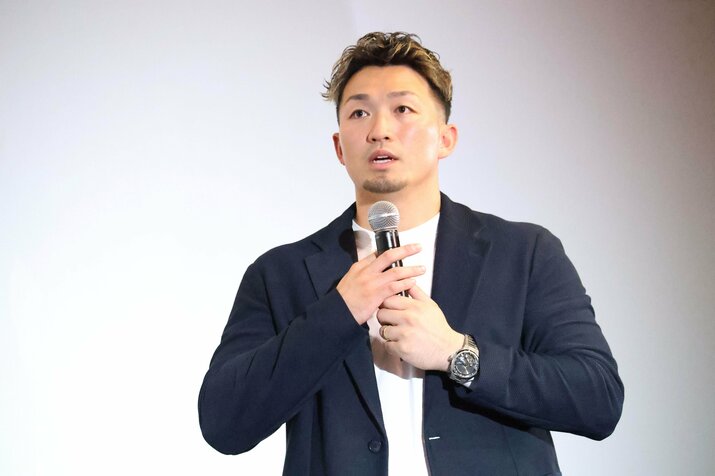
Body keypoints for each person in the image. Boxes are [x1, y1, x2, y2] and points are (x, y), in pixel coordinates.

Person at [198, 32, 624, 476]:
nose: (379, 130)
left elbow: (598, 398)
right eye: (359, 112)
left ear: (445, 139)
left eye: (402, 109)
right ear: (340, 147)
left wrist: (457, 353)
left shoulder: (524, 253)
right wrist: (338, 312)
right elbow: (223, 423)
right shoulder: (278, 274)